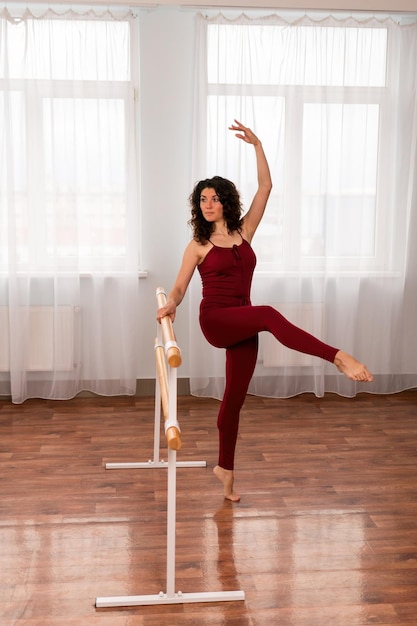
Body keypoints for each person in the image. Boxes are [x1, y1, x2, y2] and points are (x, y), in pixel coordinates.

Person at [157, 119, 373, 503]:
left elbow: (266, 187)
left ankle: (225, 471)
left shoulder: (244, 233)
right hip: (218, 320)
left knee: (235, 399)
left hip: (244, 321)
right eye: (202, 200)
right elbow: (179, 286)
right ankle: (337, 357)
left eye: (214, 198)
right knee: (270, 314)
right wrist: (172, 303)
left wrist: (257, 145)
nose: (208, 205)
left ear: (226, 201)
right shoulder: (198, 245)